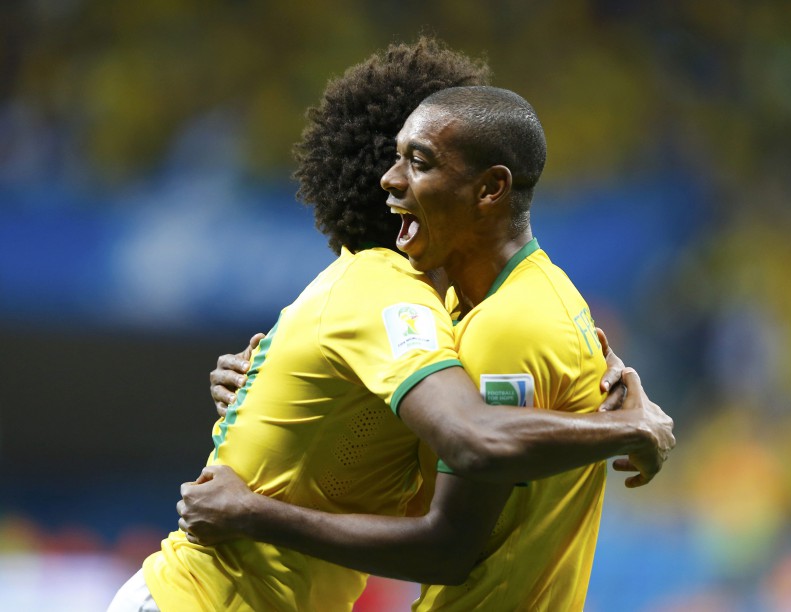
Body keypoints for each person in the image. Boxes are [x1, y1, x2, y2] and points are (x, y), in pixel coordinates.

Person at [109, 39, 673, 612]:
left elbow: (452, 482)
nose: (391, 178)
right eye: (395, 157)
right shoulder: (388, 291)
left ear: (488, 186)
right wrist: (632, 430)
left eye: (420, 161)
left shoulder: (471, 316)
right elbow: (474, 442)